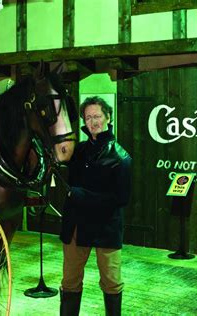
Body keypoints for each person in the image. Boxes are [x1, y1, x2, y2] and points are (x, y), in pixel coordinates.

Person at [59, 96, 132, 316]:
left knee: (111, 282)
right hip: (76, 228)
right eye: (88, 117)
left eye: (97, 116)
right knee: (70, 281)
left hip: (106, 229)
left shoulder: (121, 157)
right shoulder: (78, 151)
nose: (93, 121)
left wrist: (83, 195)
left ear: (108, 117)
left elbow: (121, 199)